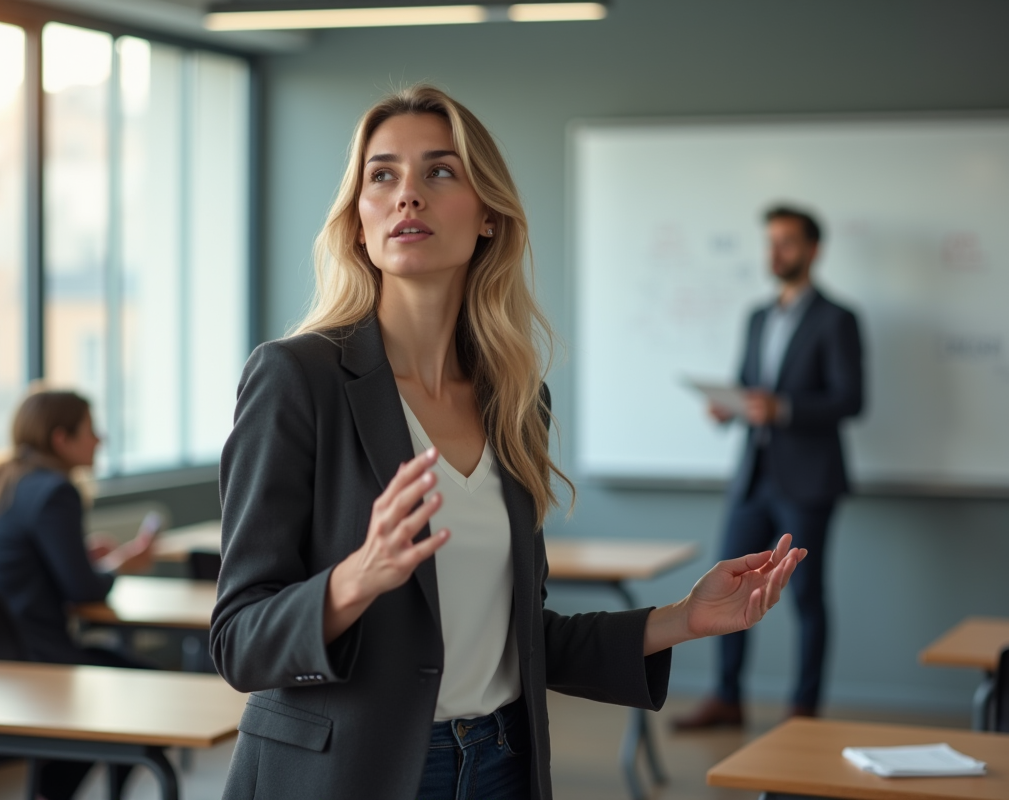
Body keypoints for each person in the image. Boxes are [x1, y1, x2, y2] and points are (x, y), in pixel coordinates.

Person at [210, 85, 807, 800]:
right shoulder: (295, 378)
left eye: (439, 171)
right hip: (348, 774)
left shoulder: (519, 400)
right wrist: (357, 577)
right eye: (382, 175)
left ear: (488, 214)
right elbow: (239, 641)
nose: (407, 196)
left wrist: (682, 618)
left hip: (499, 764)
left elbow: (525, 639)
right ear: (358, 221)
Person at [673, 205, 864, 731]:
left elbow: (852, 400)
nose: (775, 253)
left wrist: (785, 409)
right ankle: (727, 698)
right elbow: (747, 387)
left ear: (812, 250)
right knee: (731, 586)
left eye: (786, 242)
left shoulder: (837, 319)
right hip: (753, 476)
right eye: (770, 242)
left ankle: (804, 708)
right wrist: (728, 408)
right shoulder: (757, 317)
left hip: (808, 480)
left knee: (806, 594)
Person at [0, 388, 157, 800]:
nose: (100, 440)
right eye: (91, 431)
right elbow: (83, 590)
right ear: (61, 438)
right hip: (27, 669)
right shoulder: (55, 491)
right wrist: (122, 563)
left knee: (121, 677)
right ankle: (50, 794)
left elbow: (16, 563)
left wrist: (78, 556)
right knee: (150, 692)